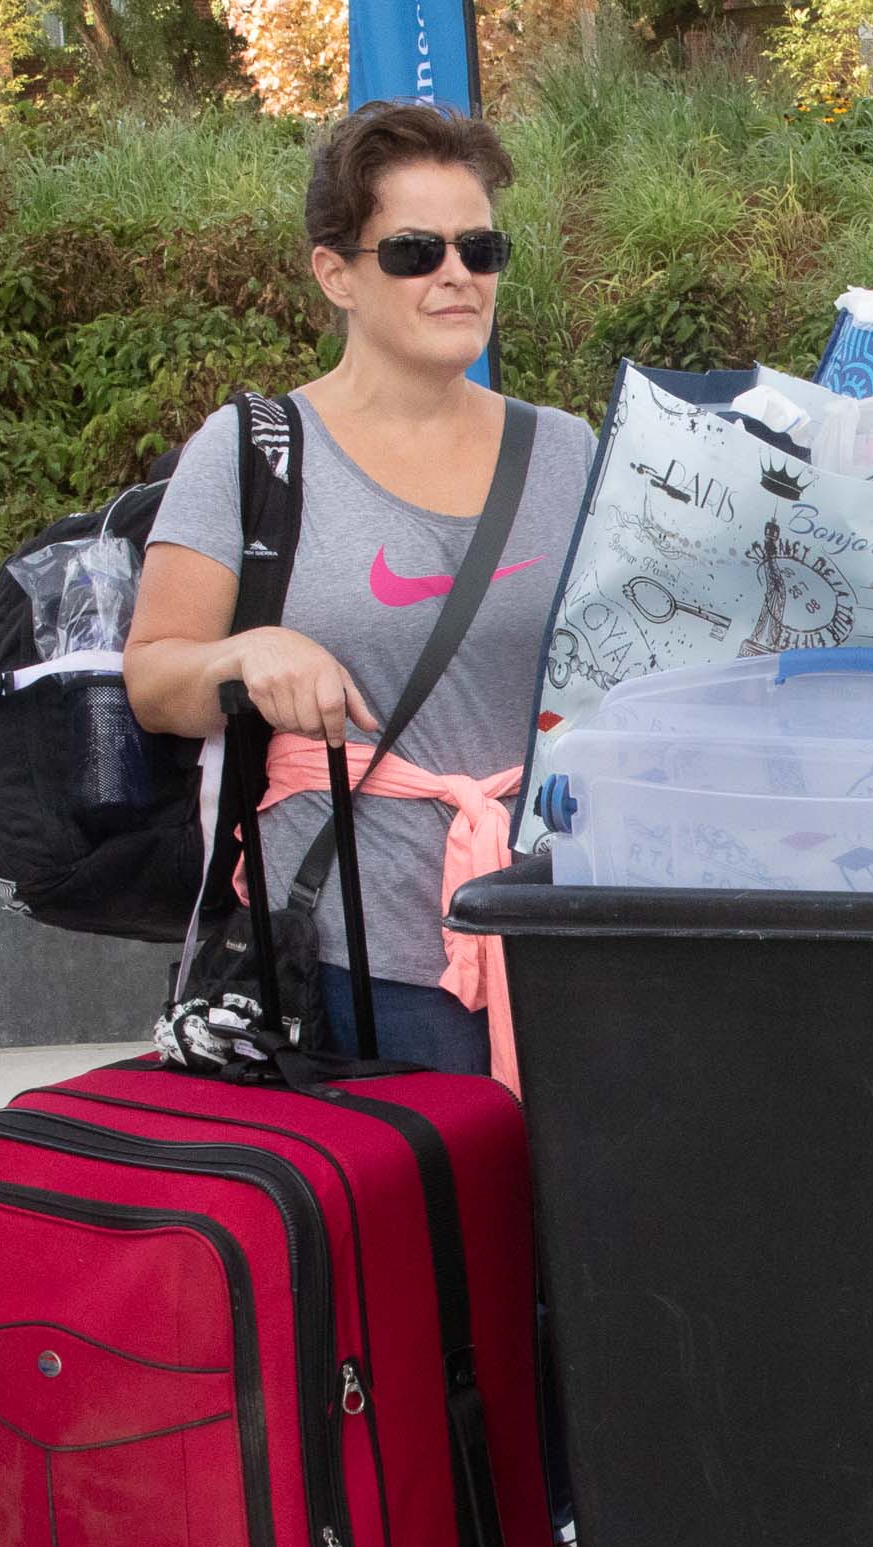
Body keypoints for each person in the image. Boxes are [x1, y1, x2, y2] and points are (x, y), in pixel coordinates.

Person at [125, 100, 594, 1081]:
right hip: (353, 953)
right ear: (335, 271)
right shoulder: (254, 453)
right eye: (416, 250)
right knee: (414, 1230)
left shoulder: (567, 450)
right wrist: (246, 654)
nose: (458, 274)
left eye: (481, 246)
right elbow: (155, 677)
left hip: (556, 929)